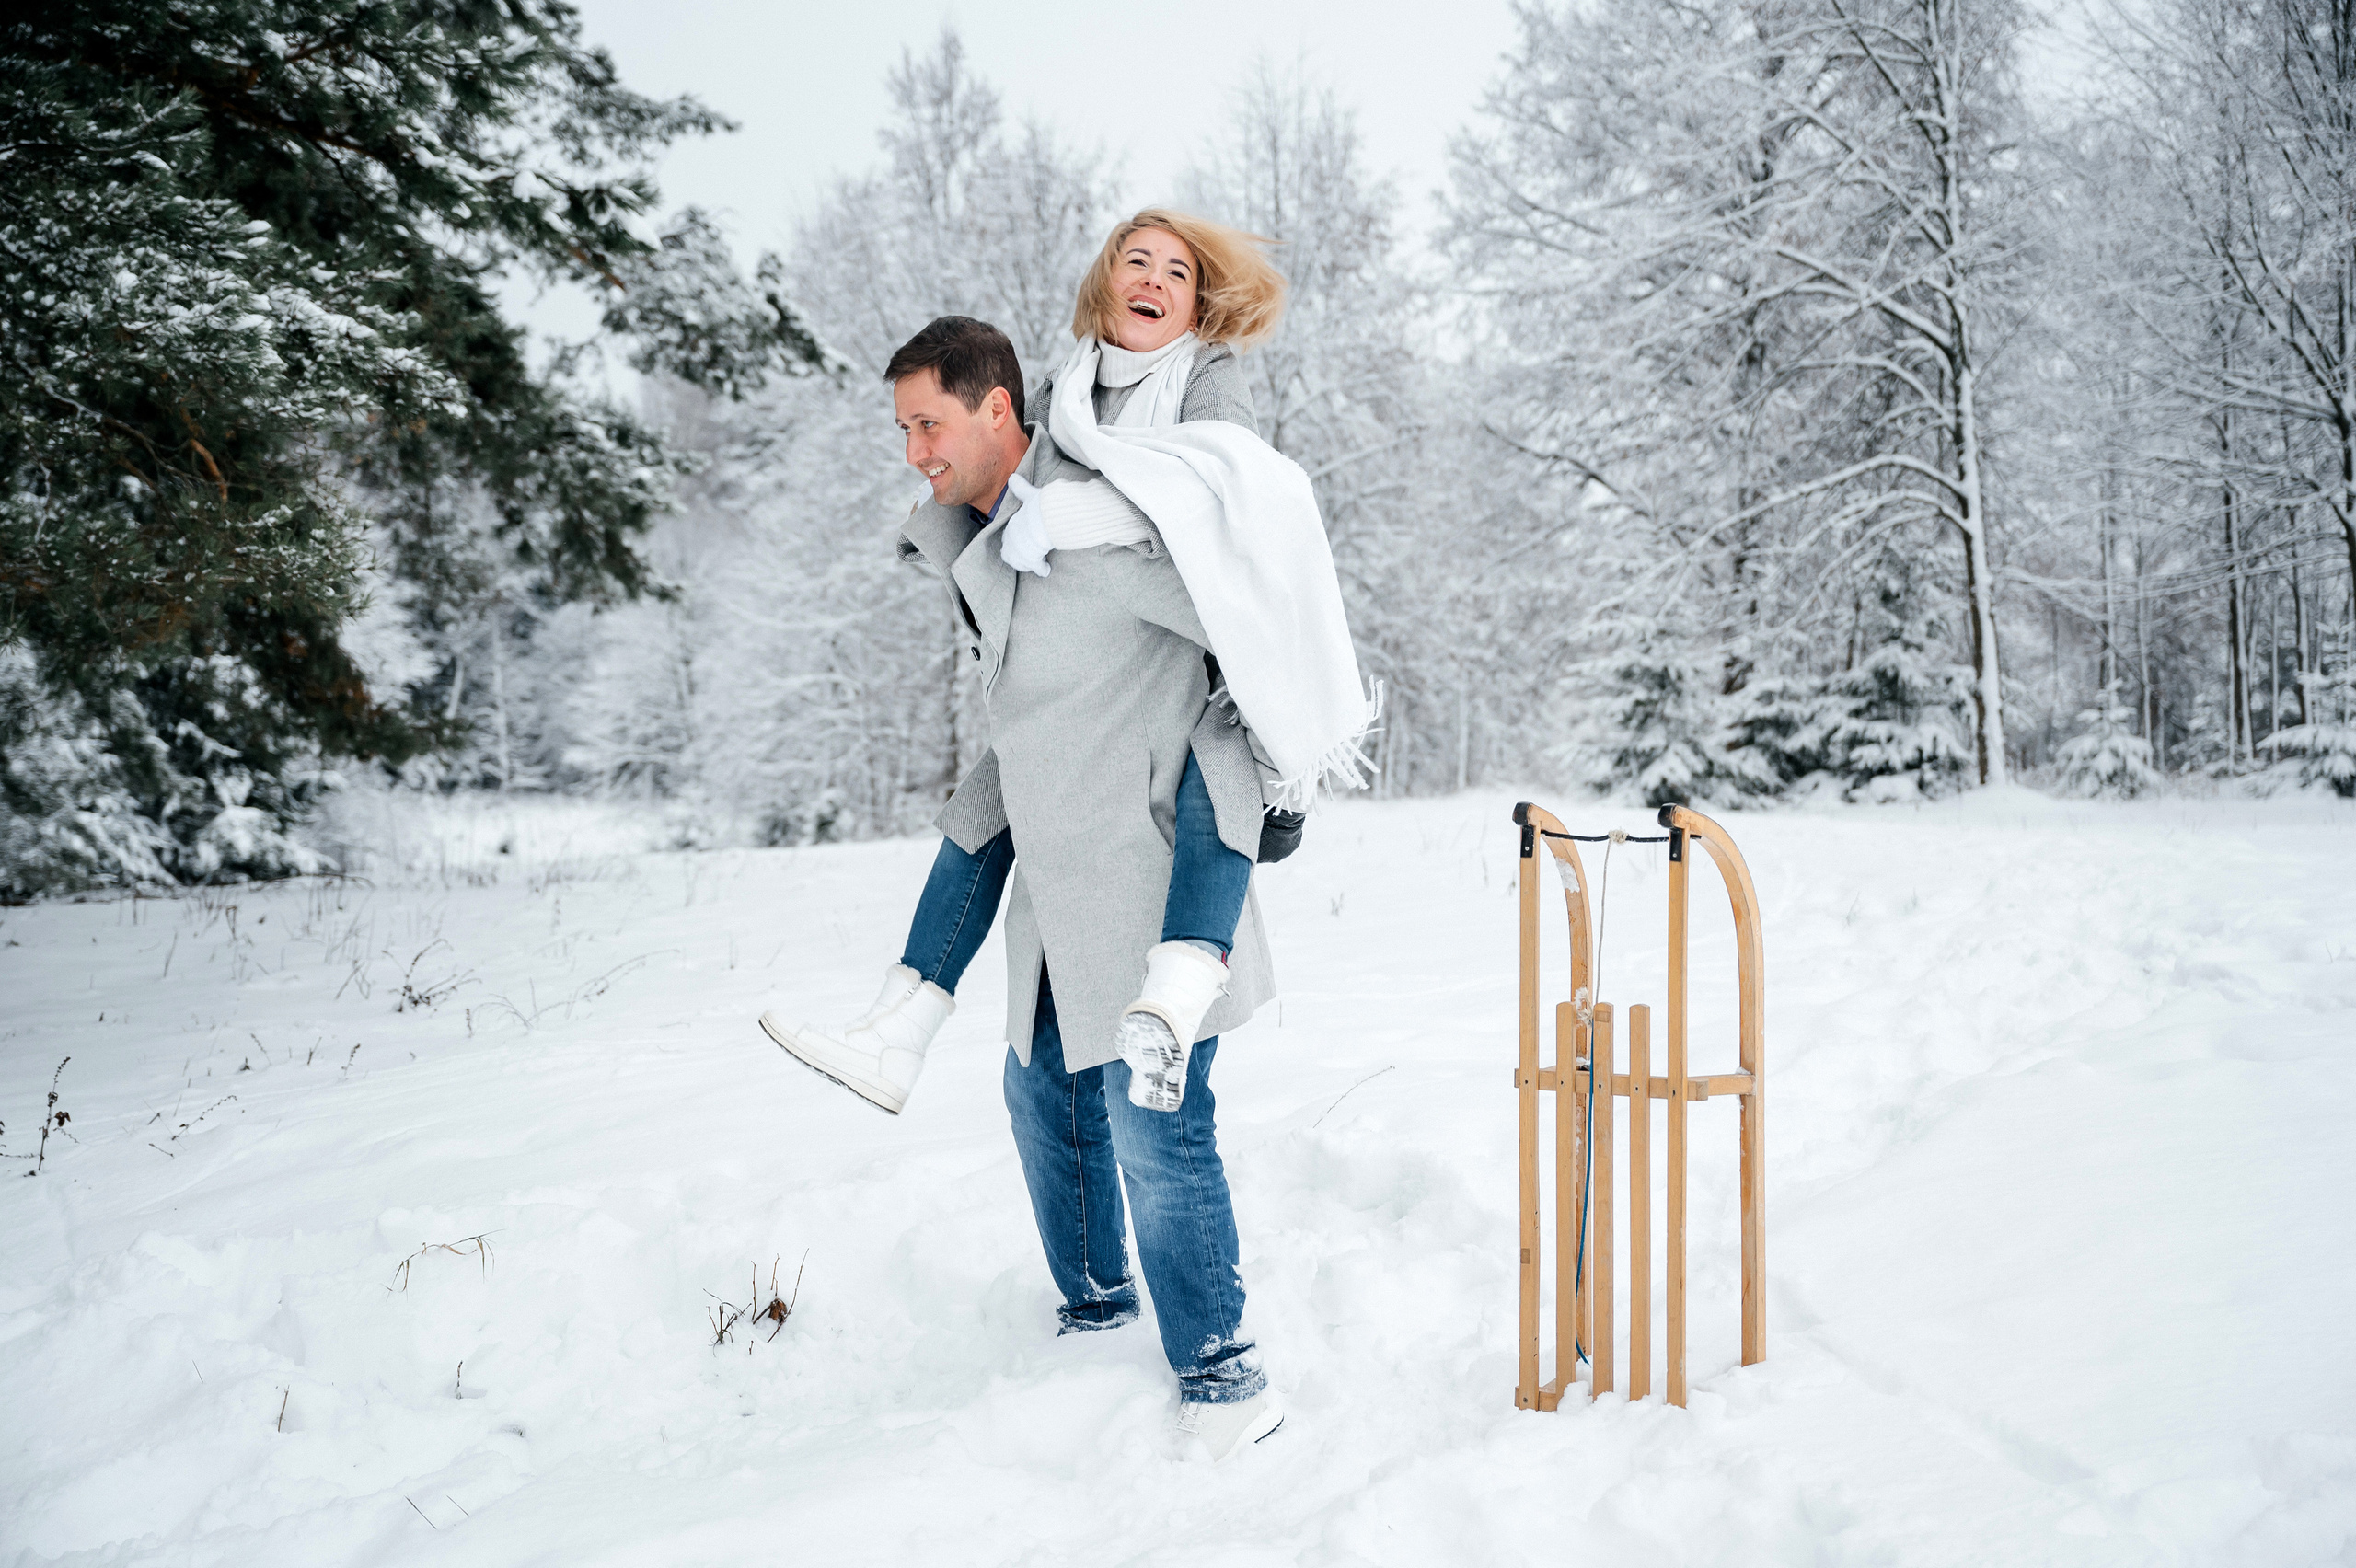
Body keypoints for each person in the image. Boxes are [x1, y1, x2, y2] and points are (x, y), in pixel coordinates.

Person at [760, 212, 1369, 1461]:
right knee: (1042, 1090)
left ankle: (1221, 1372)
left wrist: (1274, 743)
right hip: (1055, 835)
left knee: (1157, 1120)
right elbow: (1019, 597)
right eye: (1132, 261)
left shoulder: (1189, 435)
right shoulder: (1052, 449)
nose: (913, 452)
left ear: (992, 415)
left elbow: (1237, 580)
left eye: (930, 426)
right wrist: (996, 516)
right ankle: (1093, 1310)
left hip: (1152, 833)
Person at [762, 211, 1334, 1122]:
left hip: (1227, 654)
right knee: (996, 789)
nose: (1149, 279)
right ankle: (901, 1018)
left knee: (1210, 762)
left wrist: (1075, 522)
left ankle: (1185, 977)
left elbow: (1222, 495)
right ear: (1106, 284)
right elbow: (1042, 495)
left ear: (1196, 303)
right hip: (1118, 682)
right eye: (1132, 262)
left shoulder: (1206, 378)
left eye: (1173, 272)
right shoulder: (1074, 394)